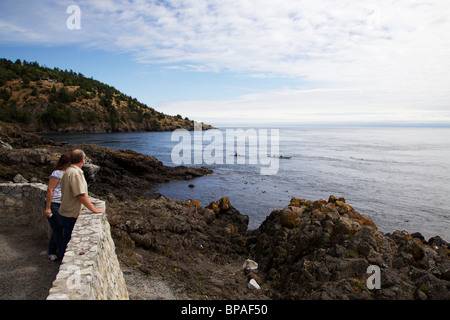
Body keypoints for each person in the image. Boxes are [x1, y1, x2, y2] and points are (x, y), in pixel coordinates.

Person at [59, 149, 104, 256]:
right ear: (83, 160)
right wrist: (94, 209)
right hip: (70, 214)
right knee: (68, 243)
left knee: (66, 240)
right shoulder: (75, 173)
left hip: (66, 212)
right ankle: (63, 264)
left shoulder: (69, 171)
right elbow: (80, 195)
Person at [44, 153, 70, 261]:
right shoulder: (57, 173)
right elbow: (50, 190)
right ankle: (63, 255)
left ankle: (51, 251)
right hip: (54, 204)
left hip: (62, 204)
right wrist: (48, 207)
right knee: (58, 228)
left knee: (57, 228)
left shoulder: (68, 173)